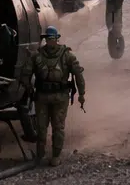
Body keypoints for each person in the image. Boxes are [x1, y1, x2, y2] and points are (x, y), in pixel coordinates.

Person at [20, 26, 85, 166]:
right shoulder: (37, 55)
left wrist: (82, 94)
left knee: (58, 127)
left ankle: (56, 155)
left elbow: (78, 74)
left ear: (57, 39)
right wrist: (29, 89)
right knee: (41, 128)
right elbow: (25, 74)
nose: (50, 42)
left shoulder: (67, 55)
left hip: (60, 97)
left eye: (52, 39)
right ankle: (40, 154)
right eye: (48, 39)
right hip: (42, 96)